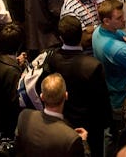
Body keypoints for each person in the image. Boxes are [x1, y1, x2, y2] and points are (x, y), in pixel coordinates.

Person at [48, 15, 110, 157]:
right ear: (81, 34)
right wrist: (107, 123)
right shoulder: (93, 66)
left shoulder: (52, 59)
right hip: (90, 126)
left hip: (62, 121)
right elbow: (102, 101)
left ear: (61, 38)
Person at [92, 0, 126, 153]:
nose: (124, 20)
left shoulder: (98, 32)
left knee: (110, 132)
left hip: (109, 91)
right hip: (122, 99)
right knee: (121, 135)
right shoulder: (118, 50)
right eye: (119, 18)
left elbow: (123, 35)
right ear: (106, 20)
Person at [15, 73, 88, 156]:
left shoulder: (24, 116)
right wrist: (84, 143)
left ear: (41, 97)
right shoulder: (71, 138)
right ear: (66, 96)